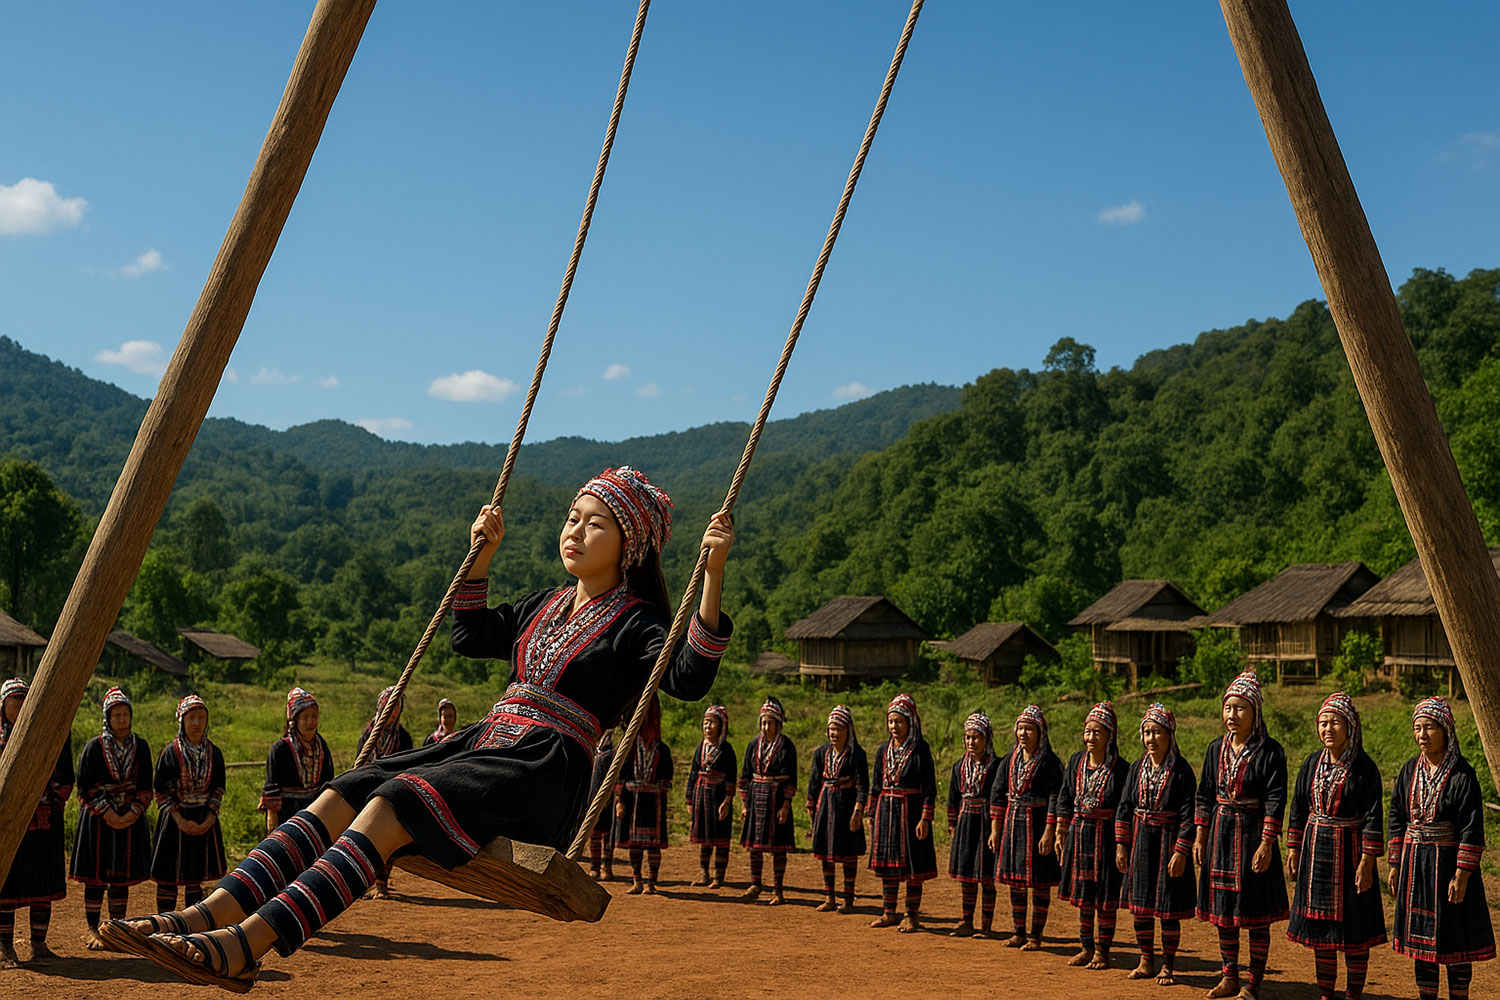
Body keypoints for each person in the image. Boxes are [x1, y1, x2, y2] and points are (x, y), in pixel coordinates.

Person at [119, 466, 733, 989]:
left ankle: (246, 945)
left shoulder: (640, 621)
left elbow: (686, 677)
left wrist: (711, 577)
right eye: (572, 516)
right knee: (346, 789)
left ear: (631, 544)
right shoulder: (544, 604)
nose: (575, 530)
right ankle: (203, 915)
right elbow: (469, 634)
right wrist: (483, 553)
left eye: (595, 522)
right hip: (489, 744)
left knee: (393, 802)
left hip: (545, 768)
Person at [1388, 696, 1494, 1000]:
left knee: (1455, 939)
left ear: (1446, 729)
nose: (1422, 735)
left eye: (1430, 728)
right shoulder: (1410, 770)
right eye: (1417, 728)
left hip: (1448, 867)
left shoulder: (1462, 774)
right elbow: (1396, 815)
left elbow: (1471, 827)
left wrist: (1462, 875)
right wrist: (1395, 863)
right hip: (1415, 867)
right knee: (1422, 944)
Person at [1285, 692, 1385, 1000]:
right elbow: (1299, 807)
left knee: (1355, 932)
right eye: (1323, 723)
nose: (1328, 729)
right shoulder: (1311, 763)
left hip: (1350, 855)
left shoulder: (1365, 769)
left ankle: (1354, 994)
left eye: (1335, 722)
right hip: (1315, 855)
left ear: (1350, 726)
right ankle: (1327, 994)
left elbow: (1372, 816)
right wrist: (1293, 848)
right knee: (1320, 934)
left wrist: (1367, 861)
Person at [1195, 671, 1289, 1000]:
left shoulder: (1271, 752)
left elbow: (1276, 799)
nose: (1232, 715)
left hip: (1252, 836)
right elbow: (1205, 794)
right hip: (1221, 834)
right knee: (1224, 912)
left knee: (1255, 913)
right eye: (1228, 708)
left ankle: (1253, 982)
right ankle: (1229, 976)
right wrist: (1200, 836)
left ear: (1255, 713)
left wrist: (1266, 842)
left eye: (1240, 709)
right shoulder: (1214, 749)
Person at [1116, 702, 1196, 986]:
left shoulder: (1182, 771)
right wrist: (1121, 845)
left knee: (1167, 906)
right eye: (1147, 732)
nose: (1151, 739)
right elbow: (1125, 806)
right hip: (1141, 841)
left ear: (1170, 735)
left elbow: (1189, 814)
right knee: (1141, 906)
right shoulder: (1137, 768)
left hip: (1168, 842)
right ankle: (1146, 960)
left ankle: (1168, 965)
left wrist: (1181, 850)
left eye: (1157, 732)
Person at [72, 686, 153, 950]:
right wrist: (107, 812)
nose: (121, 719)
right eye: (116, 714)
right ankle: (94, 928)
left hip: (130, 817)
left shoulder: (141, 746)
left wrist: (131, 813)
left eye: (125, 714)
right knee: (96, 877)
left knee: (121, 877)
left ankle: (116, 930)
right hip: (99, 820)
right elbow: (84, 785)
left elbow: (145, 785)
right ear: (107, 718)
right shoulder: (94, 748)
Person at [0, 678, 72, 968]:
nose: (18, 710)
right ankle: (4, 946)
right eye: (12, 705)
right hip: (6, 820)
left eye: (24, 703)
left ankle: (38, 944)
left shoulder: (50, 733)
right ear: (2, 708)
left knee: (43, 880)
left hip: (44, 817)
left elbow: (66, 774)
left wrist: (49, 800)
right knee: (6, 882)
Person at [1055, 702, 1130, 970]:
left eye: (1097, 732)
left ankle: (1103, 951)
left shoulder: (1122, 769)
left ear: (1110, 735)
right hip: (1079, 832)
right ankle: (1086, 947)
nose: (1090, 738)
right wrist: (1060, 831)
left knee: (1105, 896)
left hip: (1106, 837)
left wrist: (1122, 845)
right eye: (1087, 732)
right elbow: (1064, 797)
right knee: (1084, 894)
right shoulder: (1075, 761)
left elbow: (1125, 806)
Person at [990, 704, 1062, 951]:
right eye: (1020, 728)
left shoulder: (1050, 762)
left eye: (1029, 729)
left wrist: (1050, 831)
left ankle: (1036, 935)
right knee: (1015, 881)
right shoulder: (1009, 760)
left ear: (1040, 732)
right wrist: (995, 829)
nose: (1023, 733)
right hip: (1013, 823)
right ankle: (1018, 932)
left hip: (1038, 823)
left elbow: (1056, 796)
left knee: (1040, 882)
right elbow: (998, 793)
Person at [150, 695, 228, 922]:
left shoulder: (215, 753)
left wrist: (208, 819)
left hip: (204, 818)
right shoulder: (170, 753)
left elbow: (218, 788)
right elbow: (161, 790)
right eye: (191, 718)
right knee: (168, 877)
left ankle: (190, 927)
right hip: (174, 821)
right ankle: (163, 926)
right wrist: (180, 819)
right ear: (181, 721)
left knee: (195, 877)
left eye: (201, 718)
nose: (196, 723)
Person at [868, 693, 938, 933]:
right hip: (886, 811)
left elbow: (930, 786)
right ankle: (889, 912)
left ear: (910, 722)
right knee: (888, 864)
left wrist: (925, 818)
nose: (894, 726)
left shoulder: (920, 749)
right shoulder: (882, 751)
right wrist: (871, 813)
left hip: (911, 810)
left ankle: (911, 914)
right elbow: (876, 785)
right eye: (891, 722)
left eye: (899, 721)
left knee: (912, 865)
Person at [807, 704, 868, 913]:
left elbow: (862, 784)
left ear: (848, 730)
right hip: (826, 804)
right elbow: (814, 780)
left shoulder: (857, 754)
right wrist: (811, 805)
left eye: (839, 729)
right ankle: (829, 897)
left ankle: (848, 900)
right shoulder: (822, 753)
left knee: (848, 852)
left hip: (847, 805)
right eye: (831, 729)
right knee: (826, 852)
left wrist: (858, 810)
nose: (834, 733)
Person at [355, 685, 414, 899]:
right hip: (369, 791)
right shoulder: (369, 735)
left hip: (391, 794)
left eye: (398, 705)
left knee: (387, 843)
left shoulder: (403, 738)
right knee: (366, 839)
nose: (394, 709)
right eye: (390, 704)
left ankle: (382, 884)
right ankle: (363, 883)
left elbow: (408, 765)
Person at [946, 711, 999, 938]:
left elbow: (999, 797)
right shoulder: (959, 766)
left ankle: (986, 926)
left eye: (976, 737)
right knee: (967, 875)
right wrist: (952, 825)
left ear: (986, 738)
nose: (971, 742)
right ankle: (967, 921)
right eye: (968, 737)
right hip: (965, 822)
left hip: (986, 824)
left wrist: (997, 829)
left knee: (986, 876)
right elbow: (952, 798)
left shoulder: (997, 766)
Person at [739, 696, 797, 904]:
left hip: (777, 798)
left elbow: (792, 778)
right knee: (754, 846)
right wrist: (745, 803)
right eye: (763, 722)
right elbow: (745, 774)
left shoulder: (787, 746)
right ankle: (755, 884)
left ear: (778, 723)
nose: (765, 726)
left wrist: (786, 806)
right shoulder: (753, 744)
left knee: (778, 848)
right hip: (756, 797)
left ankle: (778, 890)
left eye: (769, 722)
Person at [613, 693, 673, 894]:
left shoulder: (661, 749)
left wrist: (659, 788)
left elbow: (667, 775)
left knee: (653, 845)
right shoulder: (629, 746)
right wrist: (620, 800)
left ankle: (651, 881)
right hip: (633, 800)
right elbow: (620, 774)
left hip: (653, 801)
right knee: (634, 843)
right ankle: (637, 880)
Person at [259, 688, 335, 833]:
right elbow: (271, 784)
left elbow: (328, 779)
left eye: (314, 716)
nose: (310, 722)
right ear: (294, 721)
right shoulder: (280, 748)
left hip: (315, 810)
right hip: (287, 813)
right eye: (305, 717)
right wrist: (272, 815)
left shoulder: (321, 746)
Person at [687, 704, 736, 888]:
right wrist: (689, 799)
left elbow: (732, 776)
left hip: (719, 796)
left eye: (712, 723)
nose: (708, 727)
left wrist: (728, 801)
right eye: (705, 723)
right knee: (704, 836)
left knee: (720, 837)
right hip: (702, 795)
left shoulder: (727, 750)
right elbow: (693, 773)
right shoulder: (701, 747)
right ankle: (704, 873)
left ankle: (718, 876)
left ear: (721, 726)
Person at [587, 729, 619, 880]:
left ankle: (606, 867)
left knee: (607, 835)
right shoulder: (592, 738)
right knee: (594, 834)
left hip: (609, 796)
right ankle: (595, 867)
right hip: (592, 795)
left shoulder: (614, 739)